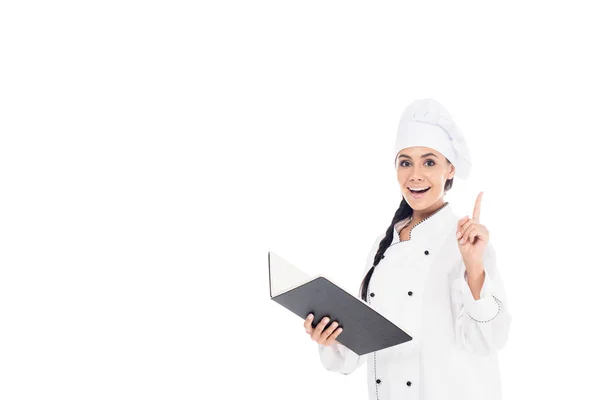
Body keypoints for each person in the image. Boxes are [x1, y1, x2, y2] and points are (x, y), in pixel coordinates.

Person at [302, 98, 512, 400]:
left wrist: (474, 267)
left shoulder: (467, 242)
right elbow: (364, 345)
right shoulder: (383, 244)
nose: (415, 174)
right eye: (405, 162)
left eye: (429, 162)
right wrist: (330, 339)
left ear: (449, 169)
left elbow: (490, 339)